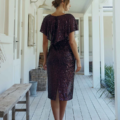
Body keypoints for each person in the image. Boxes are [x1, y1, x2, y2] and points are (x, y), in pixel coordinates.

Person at [40, 0, 81, 120]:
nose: (71, 5)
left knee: (54, 91)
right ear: (63, 2)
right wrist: (78, 59)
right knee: (64, 89)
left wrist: (45, 59)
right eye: (69, 2)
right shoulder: (70, 18)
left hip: (52, 57)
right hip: (66, 59)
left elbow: (44, 42)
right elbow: (72, 42)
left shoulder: (47, 19)